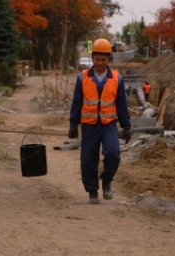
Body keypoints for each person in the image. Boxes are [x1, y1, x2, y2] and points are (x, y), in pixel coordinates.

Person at [68, 38, 132, 204]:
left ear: (109, 59)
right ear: (92, 58)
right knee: (88, 159)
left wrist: (127, 126)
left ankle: (107, 180)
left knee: (113, 154)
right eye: (97, 59)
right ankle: (92, 190)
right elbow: (76, 103)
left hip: (108, 124)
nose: (100, 63)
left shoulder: (117, 79)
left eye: (103, 60)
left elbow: (122, 105)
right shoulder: (83, 78)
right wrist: (73, 124)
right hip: (89, 126)